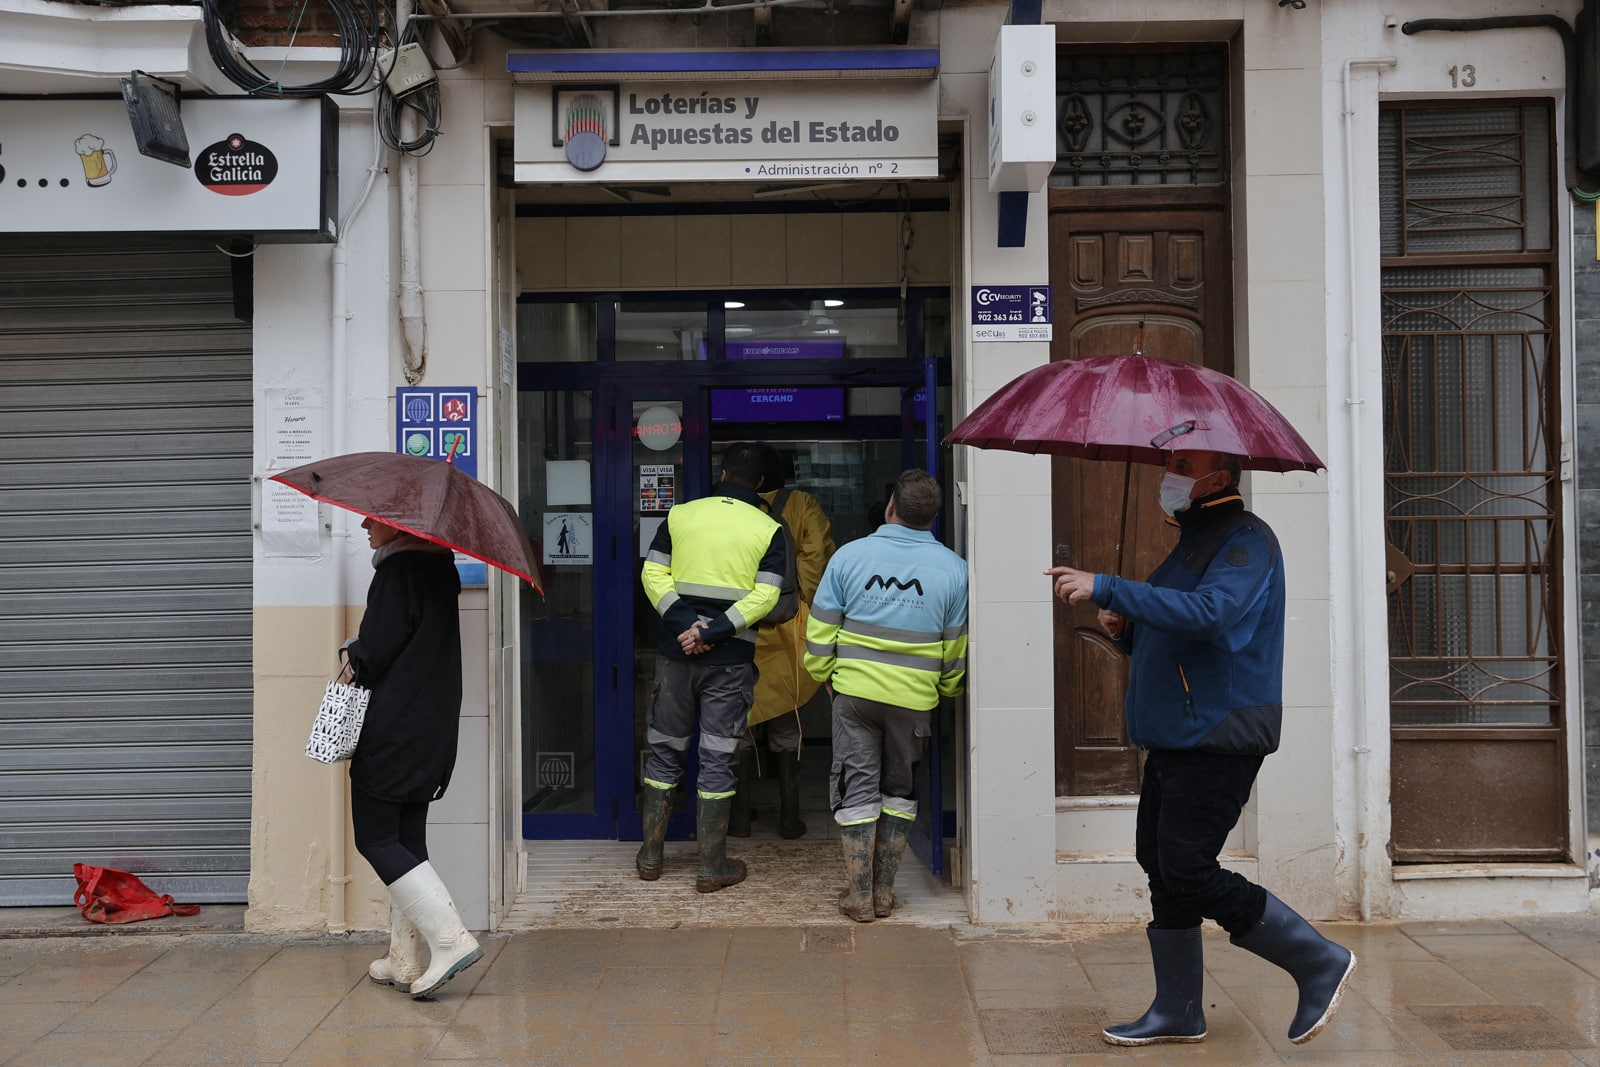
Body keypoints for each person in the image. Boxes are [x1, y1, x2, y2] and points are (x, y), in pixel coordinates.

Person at [1045, 448, 1355, 1048]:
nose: (1172, 475)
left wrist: (1107, 585)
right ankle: (1178, 1010)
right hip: (1178, 733)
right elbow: (1180, 624)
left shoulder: (1245, 539)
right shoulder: (1194, 539)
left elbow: (1216, 615)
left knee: (1187, 867)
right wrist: (1126, 626)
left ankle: (1316, 958)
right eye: (1172, 464)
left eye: (1185, 465)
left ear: (1220, 475)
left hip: (1218, 733)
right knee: (1160, 861)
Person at [805, 469, 967, 922]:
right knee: (899, 789)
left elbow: (820, 629)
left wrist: (823, 673)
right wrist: (947, 688)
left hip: (854, 695)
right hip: (913, 700)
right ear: (933, 517)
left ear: (891, 505)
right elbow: (955, 645)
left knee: (856, 788)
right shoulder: (955, 570)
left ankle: (857, 897)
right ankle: (883, 893)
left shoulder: (850, 557)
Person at [637, 442, 789, 892]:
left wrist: (687, 625)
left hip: (675, 656)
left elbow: (652, 574)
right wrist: (714, 630)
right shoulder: (769, 528)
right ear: (762, 483)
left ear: (722, 473)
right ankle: (712, 866)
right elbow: (767, 596)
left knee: (665, 750)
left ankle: (650, 855)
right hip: (729, 661)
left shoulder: (681, 515)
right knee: (718, 757)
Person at [342, 515, 481, 1000]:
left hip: (394, 727)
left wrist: (352, 649)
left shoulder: (397, 574)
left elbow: (375, 652)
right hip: (431, 726)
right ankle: (403, 955)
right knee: (406, 842)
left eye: (374, 519)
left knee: (376, 837)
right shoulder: (441, 570)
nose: (363, 524)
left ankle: (449, 939)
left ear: (399, 527)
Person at [730, 443, 836, 840]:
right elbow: (816, 560)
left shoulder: (731, 509)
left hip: (738, 627)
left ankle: (739, 819)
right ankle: (790, 818)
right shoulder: (803, 504)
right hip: (789, 629)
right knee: (786, 722)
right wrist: (802, 608)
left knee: (737, 721)